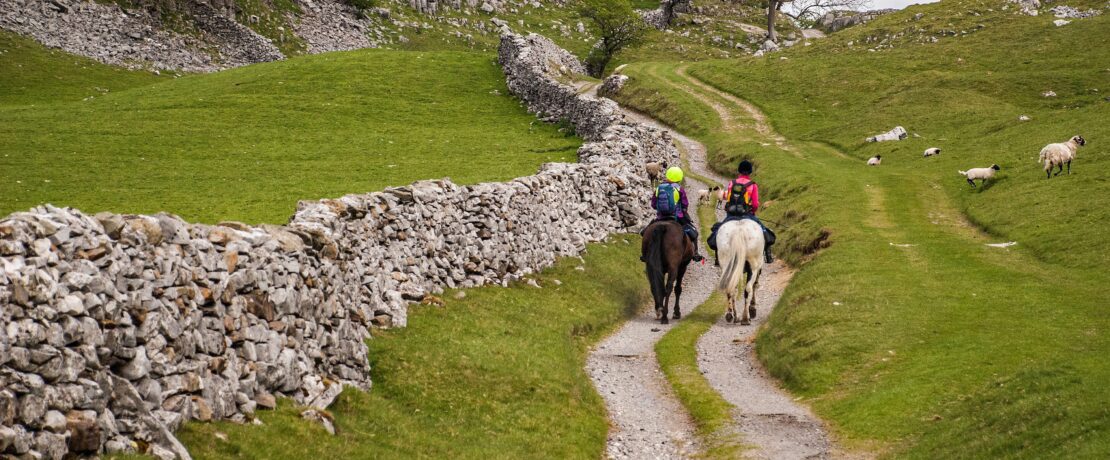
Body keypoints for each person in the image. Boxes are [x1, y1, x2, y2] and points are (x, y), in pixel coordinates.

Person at [707, 160, 776, 264]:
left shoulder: (732, 183)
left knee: (718, 231)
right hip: (747, 214)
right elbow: (756, 204)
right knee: (764, 231)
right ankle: (768, 255)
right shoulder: (753, 185)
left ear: (739, 170)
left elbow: (728, 198)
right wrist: (752, 211)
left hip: (731, 215)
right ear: (750, 172)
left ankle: (717, 257)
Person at [646, 166, 704, 262]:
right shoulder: (679, 189)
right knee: (694, 233)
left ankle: (645, 254)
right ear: (679, 177)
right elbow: (685, 204)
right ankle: (695, 253)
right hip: (677, 217)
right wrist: (683, 212)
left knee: (646, 232)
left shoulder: (659, 187)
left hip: (661, 217)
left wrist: (661, 210)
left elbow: (653, 204)